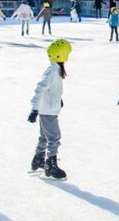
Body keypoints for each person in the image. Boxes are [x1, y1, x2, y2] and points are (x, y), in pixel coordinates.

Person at [27, 39, 72, 181]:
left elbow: (52, 89)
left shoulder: (56, 69)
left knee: (45, 137)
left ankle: (38, 159)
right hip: (47, 111)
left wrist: (59, 100)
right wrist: (34, 109)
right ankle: (50, 165)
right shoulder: (53, 70)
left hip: (49, 108)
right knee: (54, 137)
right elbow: (40, 88)